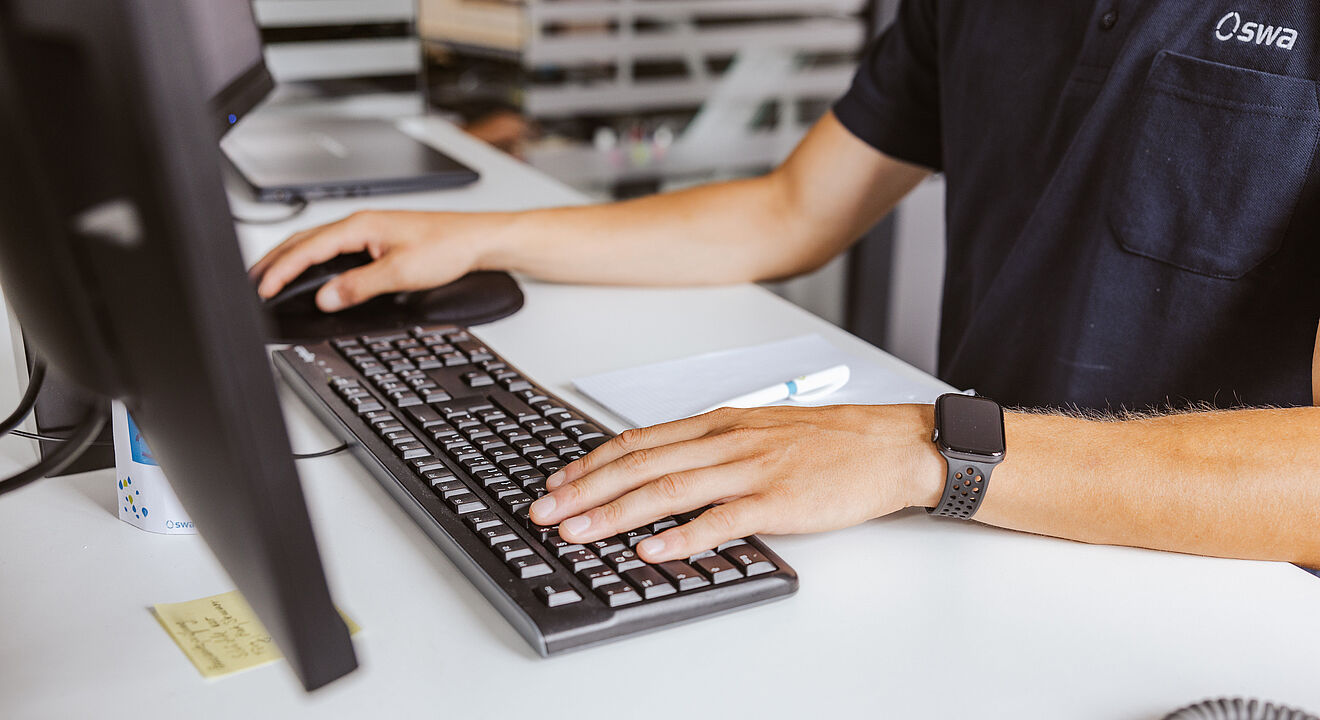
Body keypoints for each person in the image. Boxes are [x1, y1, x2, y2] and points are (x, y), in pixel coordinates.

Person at [252, 2, 1320, 571]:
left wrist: (927, 447)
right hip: (979, 533)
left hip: (1215, 594)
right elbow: (798, 209)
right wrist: (480, 236)